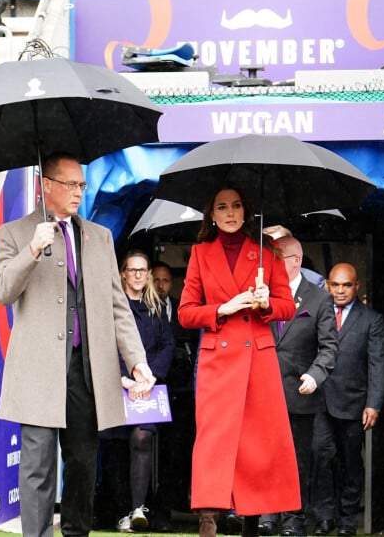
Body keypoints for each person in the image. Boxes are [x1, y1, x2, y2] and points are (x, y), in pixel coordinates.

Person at [0, 152, 156, 537]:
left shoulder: (99, 237)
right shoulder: (14, 233)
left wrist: (137, 361)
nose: (80, 191)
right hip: (38, 371)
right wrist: (32, 249)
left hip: (87, 370)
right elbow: (2, 291)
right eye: (71, 184)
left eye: (82, 184)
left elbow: (118, 305)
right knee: (38, 468)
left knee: (83, 465)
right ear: (46, 185)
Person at [177, 183, 301, 537]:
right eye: (221, 207)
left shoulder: (268, 250)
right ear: (212, 215)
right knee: (212, 442)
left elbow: (287, 308)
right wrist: (223, 308)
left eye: (235, 206)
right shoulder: (201, 253)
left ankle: (252, 522)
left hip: (257, 361)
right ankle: (208, 519)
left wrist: (265, 304)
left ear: (246, 211)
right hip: (218, 360)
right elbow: (186, 313)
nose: (230, 213)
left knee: (256, 443)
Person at [259, 235, 338, 537]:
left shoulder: (319, 299)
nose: (271, 261)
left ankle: (293, 520)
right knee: (264, 457)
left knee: (296, 460)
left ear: (295, 261)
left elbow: (329, 346)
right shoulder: (261, 294)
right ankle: (265, 517)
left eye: (277, 256)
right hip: (264, 391)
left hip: (299, 392)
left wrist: (316, 375)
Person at [310, 263, 384, 537]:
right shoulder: (318, 313)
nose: (340, 290)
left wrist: (374, 404)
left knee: (350, 463)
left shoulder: (372, 320)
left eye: (346, 285)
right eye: (335, 285)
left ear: (357, 286)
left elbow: (378, 365)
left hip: (354, 404)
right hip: (319, 401)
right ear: (328, 285)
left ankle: (346, 522)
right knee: (321, 456)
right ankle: (323, 518)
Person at [109, 250, 175, 533]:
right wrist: (123, 379)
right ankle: (120, 510)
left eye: (142, 270)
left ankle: (138, 509)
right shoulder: (111, 305)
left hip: (147, 390)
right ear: (122, 272)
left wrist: (151, 377)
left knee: (142, 438)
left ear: (148, 274)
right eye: (132, 270)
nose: (137, 275)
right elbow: (103, 346)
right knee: (114, 451)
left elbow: (167, 346)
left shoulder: (156, 307)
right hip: (115, 386)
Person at [151, 261, 199, 531]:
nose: (160, 286)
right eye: (156, 280)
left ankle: (168, 507)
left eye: (166, 280)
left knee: (174, 453)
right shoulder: (140, 308)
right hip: (148, 388)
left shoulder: (183, 310)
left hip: (179, 393)